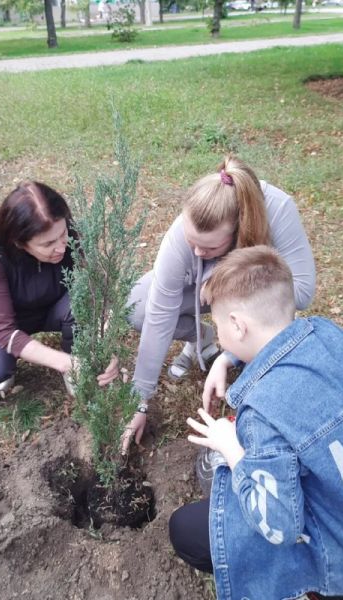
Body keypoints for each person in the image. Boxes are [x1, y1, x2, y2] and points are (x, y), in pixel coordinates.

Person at [169, 246, 343, 600]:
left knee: (186, 529)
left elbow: (280, 527)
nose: (217, 333)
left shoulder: (263, 414)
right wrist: (229, 358)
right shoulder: (329, 334)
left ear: (238, 324)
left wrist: (232, 449)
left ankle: (319, 590)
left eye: (218, 325)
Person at [121, 155, 316, 452]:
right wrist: (140, 398)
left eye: (210, 247)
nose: (198, 252)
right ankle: (204, 337)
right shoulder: (184, 235)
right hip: (198, 289)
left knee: (264, 323)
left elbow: (301, 292)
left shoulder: (278, 209)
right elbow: (160, 312)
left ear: (240, 228)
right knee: (137, 307)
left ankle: (241, 353)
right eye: (191, 242)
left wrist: (225, 281)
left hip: (253, 294)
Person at [0, 181, 118, 415]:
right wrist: (66, 363)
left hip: (54, 306)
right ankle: (67, 364)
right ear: (19, 242)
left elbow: (100, 295)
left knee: (85, 298)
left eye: (63, 235)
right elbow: (5, 332)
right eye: (47, 244)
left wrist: (107, 348)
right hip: (2, 319)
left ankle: (79, 357)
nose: (61, 248)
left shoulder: (68, 230)